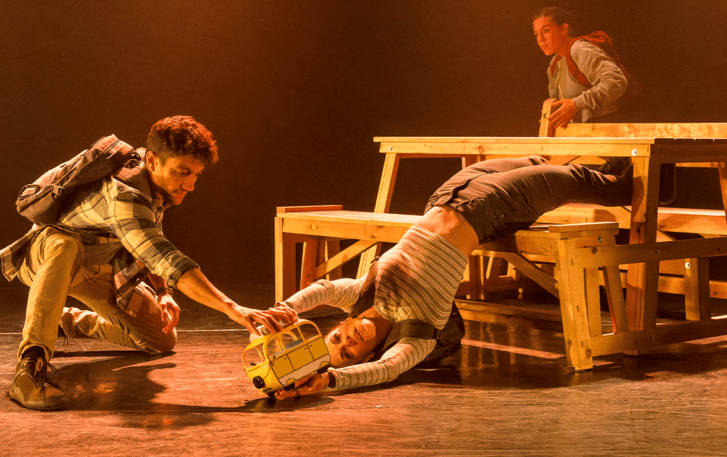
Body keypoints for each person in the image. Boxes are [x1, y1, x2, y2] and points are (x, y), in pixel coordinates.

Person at [261, 156, 633, 399]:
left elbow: (323, 290)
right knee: (579, 178)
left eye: (338, 337)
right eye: (348, 353)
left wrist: (283, 310)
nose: (348, 340)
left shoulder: (363, 295)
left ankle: (615, 166)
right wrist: (330, 380)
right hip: (491, 207)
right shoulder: (415, 336)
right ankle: (650, 179)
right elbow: (386, 371)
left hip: (448, 195)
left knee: (542, 163)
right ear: (366, 354)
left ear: (342, 323)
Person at [1, 115, 291, 410]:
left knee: (160, 340)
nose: (190, 185)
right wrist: (234, 309)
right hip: (46, 257)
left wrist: (164, 292)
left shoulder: (152, 182)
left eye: (196, 174)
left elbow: (150, 238)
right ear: (152, 161)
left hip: (99, 267)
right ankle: (29, 368)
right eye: (183, 172)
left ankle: (63, 321)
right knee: (65, 245)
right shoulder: (124, 195)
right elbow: (163, 255)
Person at [533, 7, 628, 131]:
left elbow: (617, 81)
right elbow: (563, 105)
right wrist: (553, 114)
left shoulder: (578, 49)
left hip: (605, 129)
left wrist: (576, 104)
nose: (540, 39)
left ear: (564, 29)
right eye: (536, 34)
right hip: (580, 133)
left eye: (546, 31)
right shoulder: (554, 64)